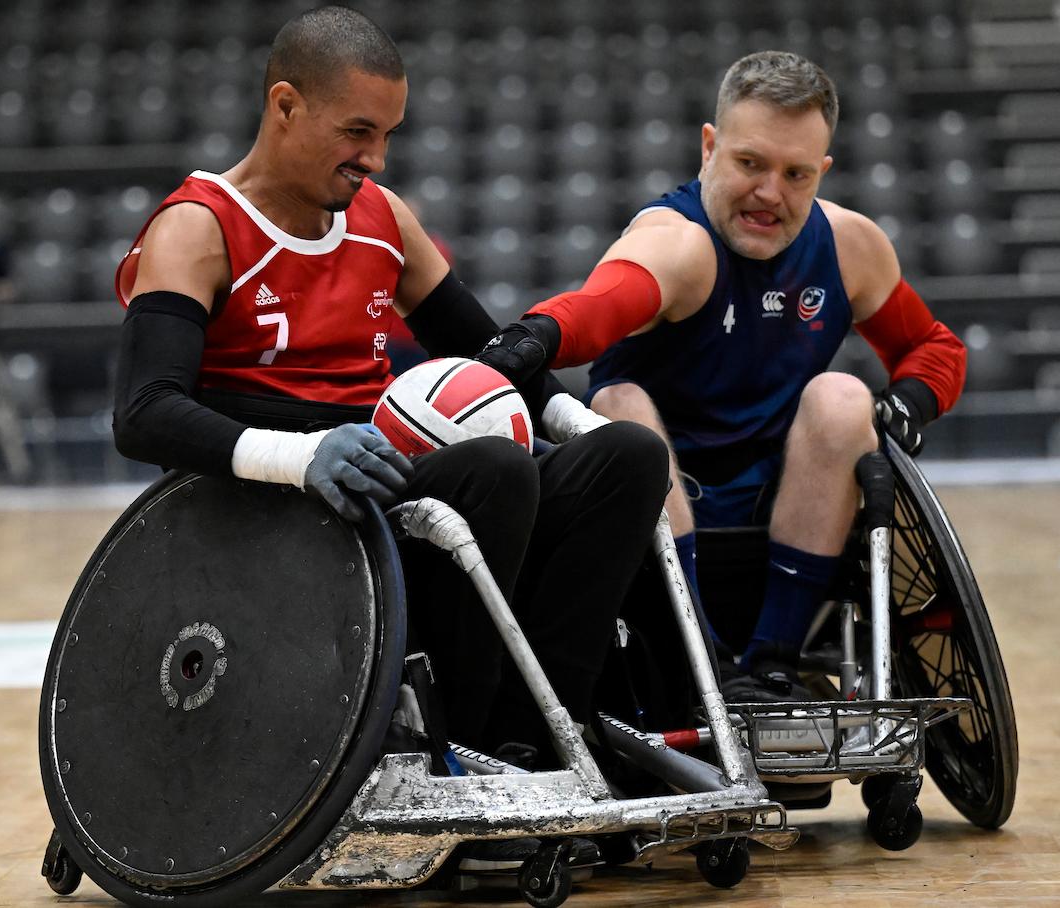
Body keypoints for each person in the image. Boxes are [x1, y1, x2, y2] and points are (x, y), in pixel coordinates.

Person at [110, 6, 668, 866]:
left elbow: (486, 353)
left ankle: (539, 740)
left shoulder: (381, 218)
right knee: (491, 473)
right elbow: (143, 412)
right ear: (285, 105)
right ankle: (463, 749)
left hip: (392, 484)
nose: (375, 158)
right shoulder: (197, 227)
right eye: (358, 132)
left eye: (389, 135)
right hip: (282, 508)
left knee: (627, 458)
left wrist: (572, 419)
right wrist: (300, 456)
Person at [477, 51, 966, 701]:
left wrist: (911, 401)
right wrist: (536, 335)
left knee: (845, 397)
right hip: (652, 521)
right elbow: (603, 305)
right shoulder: (677, 240)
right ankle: (701, 662)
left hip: (785, 506)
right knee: (621, 402)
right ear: (709, 147)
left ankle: (774, 660)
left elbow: (935, 345)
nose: (770, 193)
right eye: (750, 164)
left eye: (795, 174)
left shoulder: (850, 245)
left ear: (823, 172)